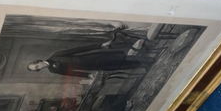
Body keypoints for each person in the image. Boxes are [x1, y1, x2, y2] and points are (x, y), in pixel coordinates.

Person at [27, 39, 155, 78]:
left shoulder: (57, 55)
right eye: (37, 69)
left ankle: (147, 60)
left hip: (92, 58)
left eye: (36, 66)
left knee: (120, 58)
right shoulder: (53, 70)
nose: (39, 68)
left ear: (38, 61)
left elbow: (79, 50)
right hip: (90, 66)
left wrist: (100, 45)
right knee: (117, 65)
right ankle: (143, 65)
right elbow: (71, 73)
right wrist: (87, 75)